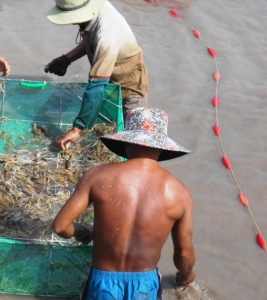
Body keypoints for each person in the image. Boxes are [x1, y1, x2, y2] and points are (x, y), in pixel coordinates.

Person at [52, 107, 196, 299]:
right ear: (161, 147)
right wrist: (186, 276)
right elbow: (184, 254)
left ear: (126, 141)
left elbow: (61, 226)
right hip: (145, 286)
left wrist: (82, 231)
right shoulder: (179, 192)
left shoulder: (98, 176)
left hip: (102, 283)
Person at [45, 0, 149, 151]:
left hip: (129, 84)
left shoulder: (107, 35)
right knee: (107, 128)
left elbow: (96, 85)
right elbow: (92, 40)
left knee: (133, 142)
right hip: (109, 80)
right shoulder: (96, 8)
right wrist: (67, 59)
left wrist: (77, 129)